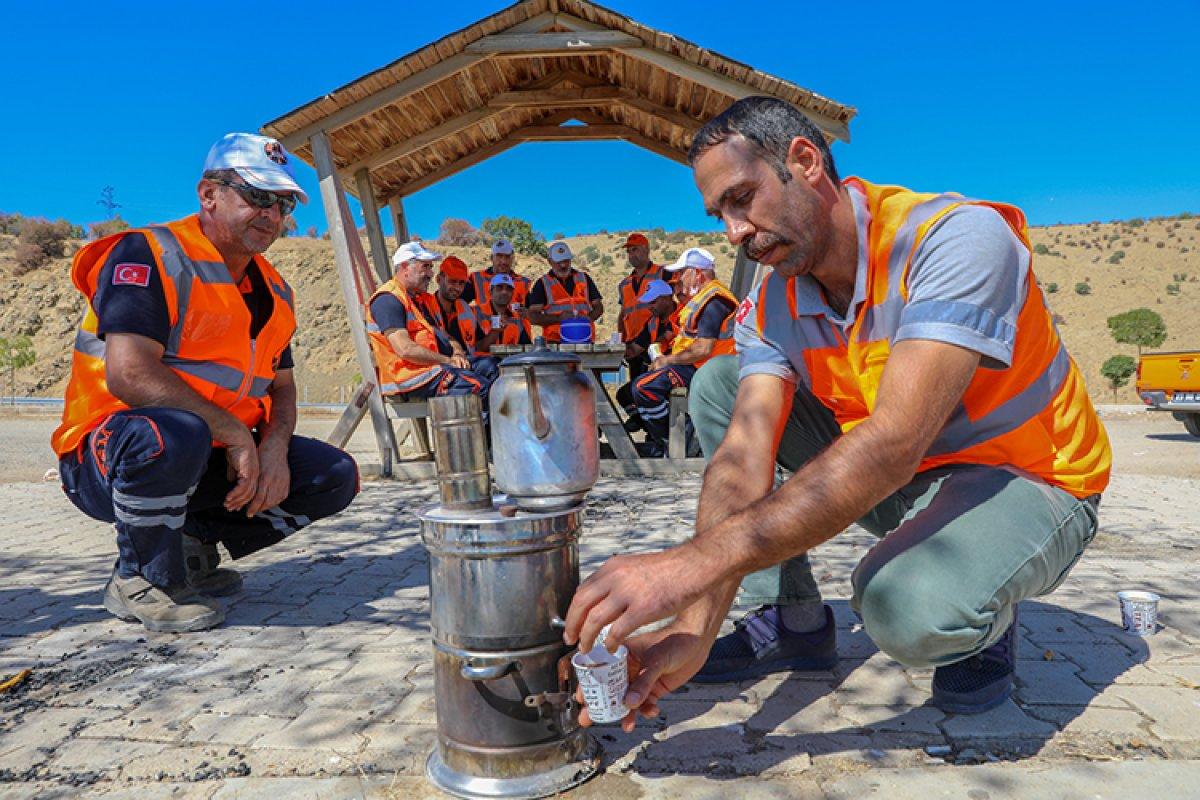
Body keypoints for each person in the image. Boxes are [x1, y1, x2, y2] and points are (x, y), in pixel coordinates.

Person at [563, 96, 1111, 729]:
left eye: (742, 199)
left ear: (804, 161)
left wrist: (689, 565)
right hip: (908, 478)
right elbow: (744, 458)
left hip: (1027, 475)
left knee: (906, 608)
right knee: (719, 383)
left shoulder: (953, 239)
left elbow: (894, 442)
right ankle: (791, 620)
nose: (733, 234)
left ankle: (984, 615)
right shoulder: (772, 302)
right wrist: (694, 628)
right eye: (719, 214)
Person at [51, 132, 360, 633]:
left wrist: (275, 448)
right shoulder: (149, 253)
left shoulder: (276, 290)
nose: (272, 214)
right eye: (257, 196)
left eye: (282, 203)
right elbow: (129, 373)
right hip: (108, 455)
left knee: (334, 474)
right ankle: (140, 577)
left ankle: (189, 547)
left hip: (209, 456)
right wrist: (237, 435)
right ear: (208, 195)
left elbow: (282, 385)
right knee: (175, 433)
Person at [630, 249, 737, 454]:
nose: (678, 279)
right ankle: (672, 439)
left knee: (643, 387)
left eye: (682, 273)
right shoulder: (703, 299)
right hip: (698, 366)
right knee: (640, 385)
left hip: (710, 371)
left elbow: (704, 348)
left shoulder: (715, 300)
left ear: (697, 273)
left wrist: (668, 360)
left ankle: (672, 442)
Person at [366, 243, 495, 407]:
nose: (430, 273)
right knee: (480, 389)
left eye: (430, 267)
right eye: (425, 267)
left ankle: (493, 431)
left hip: (433, 368)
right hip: (410, 377)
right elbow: (405, 349)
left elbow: (445, 335)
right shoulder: (388, 299)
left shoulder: (422, 300)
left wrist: (457, 354)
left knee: (493, 367)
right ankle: (481, 432)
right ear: (405, 267)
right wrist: (446, 360)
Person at [615, 279, 678, 447]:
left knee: (641, 389)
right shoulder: (652, 322)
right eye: (648, 302)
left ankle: (666, 439)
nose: (650, 306)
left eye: (653, 301)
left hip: (678, 372)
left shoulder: (681, 316)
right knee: (625, 394)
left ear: (666, 298)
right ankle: (649, 428)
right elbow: (635, 349)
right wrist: (617, 349)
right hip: (660, 373)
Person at [526, 241, 603, 343]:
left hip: (585, 340)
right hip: (555, 343)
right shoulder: (543, 284)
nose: (563, 265)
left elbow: (598, 307)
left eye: (566, 261)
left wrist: (589, 318)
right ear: (549, 261)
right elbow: (533, 317)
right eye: (558, 262)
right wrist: (559, 318)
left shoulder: (584, 278)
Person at [616, 233, 664, 380]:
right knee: (636, 390)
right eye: (628, 251)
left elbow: (669, 309)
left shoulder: (661, 274)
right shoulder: (625, 284)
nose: (631, 255)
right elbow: (623, 313)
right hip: (633, 348)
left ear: (646, 249)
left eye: (635, 249)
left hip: (657, 344)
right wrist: (621, 342)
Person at [463, 238, 530, 307]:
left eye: (507, 257)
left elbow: (532, 311)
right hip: (486, 317)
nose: (503, 261)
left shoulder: (523, 282)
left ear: (512, 259)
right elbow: (459, 303)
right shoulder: (477, 278)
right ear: (491, 258)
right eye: (499, 256)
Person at [474, 273, 532, 353]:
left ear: (512, 293)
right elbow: (477, 348)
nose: (504, 292)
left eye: (509, 289)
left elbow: (526, 349)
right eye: (499, 287)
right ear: (490, 291)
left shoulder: (517, 319)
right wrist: (495, 331)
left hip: (509, 362)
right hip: (482, 363)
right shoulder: (477, 313)